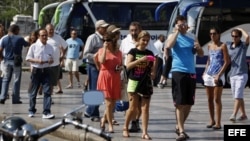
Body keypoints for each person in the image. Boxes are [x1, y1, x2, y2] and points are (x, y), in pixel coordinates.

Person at [165, 15, 204, 141]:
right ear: (176, 25)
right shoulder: (173, 36)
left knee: (189, 103)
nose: (183, 26)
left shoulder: (192, 36)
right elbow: (169, 46)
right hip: (178, 71)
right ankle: (181, 131)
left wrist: (199, 49)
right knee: (180, 103)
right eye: (180, 24)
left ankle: (179, 125)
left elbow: (201, 54)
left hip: (191, 71)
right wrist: (176, 31)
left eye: (184, 24)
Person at [120, 21, 159, 133]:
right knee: (133, 107)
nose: (146, 42)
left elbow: (154, 60)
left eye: (147, 40)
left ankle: (144, 132)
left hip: (145, 81)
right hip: (133, 80)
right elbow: (127, 64)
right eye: (144, 40)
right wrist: (140, 60)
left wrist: (153, 71)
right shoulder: (130, 48)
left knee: (145, 107)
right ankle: (125, 127)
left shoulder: (150, 51)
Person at [202, 27, 230, 130]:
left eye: (214, 34)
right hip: (209, 74)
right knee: (209, 99)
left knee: (217, 99)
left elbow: (226, 62)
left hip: (218, 74)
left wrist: (219, 74)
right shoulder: (209, 46)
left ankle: (218, 122)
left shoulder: (223, 46)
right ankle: (211, 120)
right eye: (210, 34)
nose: (212, 36)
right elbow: (209, 60)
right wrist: (205, 71)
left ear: (218, 34)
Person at [26, 28, 55, 119]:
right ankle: (31, 110)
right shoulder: (34, 46)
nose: (45, 37)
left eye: (46, 35)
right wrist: (37, 61)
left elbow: (52, 58)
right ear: (38, 36)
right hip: (36, 70)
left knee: (47, 92)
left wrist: (50, 61)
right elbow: (28, 58)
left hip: (46, 70)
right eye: (43, 35)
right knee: (33, 92)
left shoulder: (50, 47)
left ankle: (46, 112)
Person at [83, 20, 109, 122]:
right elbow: (86, 53)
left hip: (103, 67)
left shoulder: (105, 38)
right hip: (93, 66)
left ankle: (89, 110)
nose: (105, 29)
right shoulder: (92, 37)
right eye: (103, 27)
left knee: (101, 90)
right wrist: (96, 56)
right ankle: (94, 114)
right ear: (98, 28)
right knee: (95, 89)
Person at [96, 32, 123, 133]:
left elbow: (121, 65)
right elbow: (102, 61)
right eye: (104, 40)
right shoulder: (101, 50)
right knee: (108, 103)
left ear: (113, 41)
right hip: (104, 77)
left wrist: (119, 68)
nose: (106, 42)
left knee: (112, 103)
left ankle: (103, 119)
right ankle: (110, 125)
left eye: (108, 40)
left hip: (115, 77)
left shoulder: (118, 52)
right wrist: (105, 49)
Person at [0, 24, 29, 104]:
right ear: (16, 30)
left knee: (5, 79)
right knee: (16, 80)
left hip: (6, 61)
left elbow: (1, 50)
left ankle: (2, 97)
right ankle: (15, 99)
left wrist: (2, 58)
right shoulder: (19, 38)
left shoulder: (4, 39)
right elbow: (27, 44)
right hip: (16, 62)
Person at [227, 28, 249, 122]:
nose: (234, 38)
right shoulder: (229, 45)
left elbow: (248, 37)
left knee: (238, 95)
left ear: (240, 37)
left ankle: (234, 114)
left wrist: (240, 29)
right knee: (237, 96)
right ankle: (243, 114)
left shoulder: (243, 46)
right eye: (232, 36)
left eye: (236, 36)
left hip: (242, 73)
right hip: (232, 74)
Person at [45, 24, 67, 94]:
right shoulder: (43, 37)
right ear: (46, 30)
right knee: (44, 80)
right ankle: (44, 93)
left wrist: (62, 56)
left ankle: (49, 96)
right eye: (49, 29)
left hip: (55, 64)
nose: (51, 31)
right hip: (44, 63)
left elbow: (66, 46)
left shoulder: (58, 37)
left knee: (52, 82)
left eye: (52, 29)